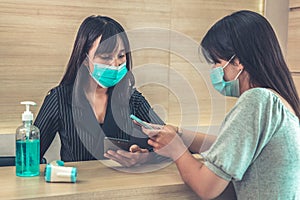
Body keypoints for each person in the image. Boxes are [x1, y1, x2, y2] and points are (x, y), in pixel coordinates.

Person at [141, 10, 300, 199]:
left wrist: (177, 150)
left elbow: (206, 186)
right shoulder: (278, 102)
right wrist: (179, 134)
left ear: (238, 61)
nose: (214, 70)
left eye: (217, 62)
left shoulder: (256, 100)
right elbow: (228, 145)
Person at [34, 15, 165, 167]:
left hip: (122, 186)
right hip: (77, 187)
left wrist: (144, 158)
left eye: (121, 56)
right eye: (105, 57)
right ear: (84, 58)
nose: (115, 64)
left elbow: (171, 146)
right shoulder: (59, 99)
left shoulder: (132, 98)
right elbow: (29, 157)